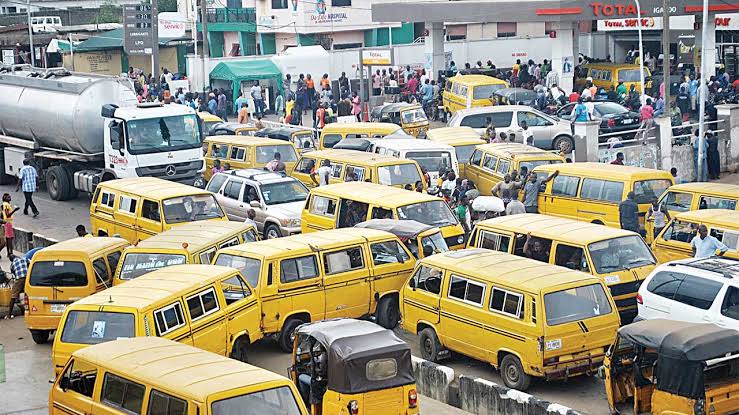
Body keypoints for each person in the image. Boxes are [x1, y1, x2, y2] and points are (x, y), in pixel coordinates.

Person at [5, 253, 30, 319]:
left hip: (19, 279)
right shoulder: (24, 259)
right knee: (28, 294)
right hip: (28, 278)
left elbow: (14, 273)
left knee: (13, 296)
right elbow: (30, 263)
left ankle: (9, 315)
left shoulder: (12, 264)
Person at [2, 193, 18, 257]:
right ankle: (10, 253)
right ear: (5, 198)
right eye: (8, 197)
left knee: (8, 238)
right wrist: (15, 210)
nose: (10, 198)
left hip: (6, 222)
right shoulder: (6, 205)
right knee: (10, 239)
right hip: (8, 222)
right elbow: (8, 215)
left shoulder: (4, 204)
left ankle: (9, 253)